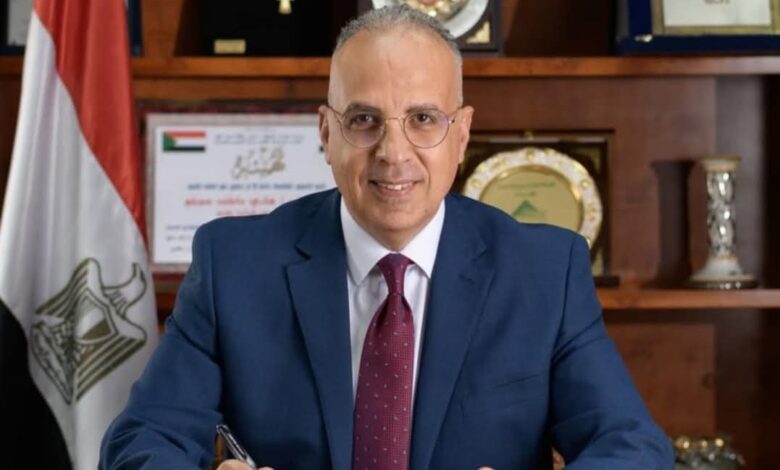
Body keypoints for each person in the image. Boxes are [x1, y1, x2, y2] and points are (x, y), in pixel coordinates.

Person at [100, 6, 673, 470]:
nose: (394, 154)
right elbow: (141, 440)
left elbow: (633, 448)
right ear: (326, 133)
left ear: (461, 135)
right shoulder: (234, 265)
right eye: (364, 120)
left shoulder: (544, 271)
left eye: (423, 119)